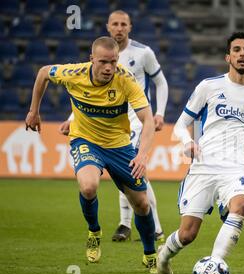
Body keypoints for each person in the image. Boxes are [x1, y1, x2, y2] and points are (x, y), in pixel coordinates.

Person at [156, 32, 244, 274]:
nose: (242, 54)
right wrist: (188, 142)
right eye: (237, 50)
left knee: (241, 206)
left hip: (237, 169)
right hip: (203, 167)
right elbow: (180, 125)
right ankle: (163, 258)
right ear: (227, 57)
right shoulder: (209, 86)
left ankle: (215, 266)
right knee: (187, 234)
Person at [25, 36, 159, 273]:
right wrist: (34, 111)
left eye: (113, 62)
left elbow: (147, 119)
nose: (109, 68)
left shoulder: (125, 80)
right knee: (88, 187)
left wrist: (142, 154)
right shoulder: (73, 73)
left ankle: (150, 254)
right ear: (91, 60)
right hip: (86, 141)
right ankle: (94, 231)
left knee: (142, 204)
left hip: (120, 146)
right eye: (103, 62)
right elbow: (44, 72)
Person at [59, 10, 168, 245]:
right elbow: (89, 94)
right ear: (108, 27)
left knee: (134, 171)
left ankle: (145, 227)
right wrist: (72, 118)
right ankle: (132, 225)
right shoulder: (103, 53)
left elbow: (161, 81)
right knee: (130, 175)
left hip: (136, 118)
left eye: (123, 24)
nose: (119, 28)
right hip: (110, 118)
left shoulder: (143, 52)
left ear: (130, 27)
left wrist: (159, 112)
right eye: (115, 24)